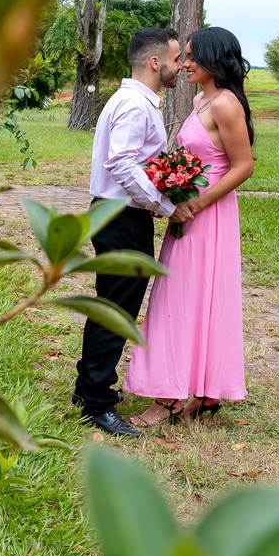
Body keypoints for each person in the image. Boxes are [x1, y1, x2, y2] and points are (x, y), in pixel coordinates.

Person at [123, 26, 255, 427]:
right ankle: (201, 392)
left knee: (186, 298)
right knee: (183, 298)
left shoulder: (226, 105)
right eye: (185, 57)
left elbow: (244, 166)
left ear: (216, 59)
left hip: (208, 214)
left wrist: (198, 201)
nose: (186, 64)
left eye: (193, 57)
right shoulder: (201, 98)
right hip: (188, 210)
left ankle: (169, 398)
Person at [71, 27, 191, 437]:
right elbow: (121, 164)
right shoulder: (135, 106)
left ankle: (87, 386)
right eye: (176, 59)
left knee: (111, 304)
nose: (181, 66)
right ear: (156, 62)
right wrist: (164, 205)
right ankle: (96, 402)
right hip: (121, 215)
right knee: (117, 312)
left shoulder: (133, 101)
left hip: (118, 214)